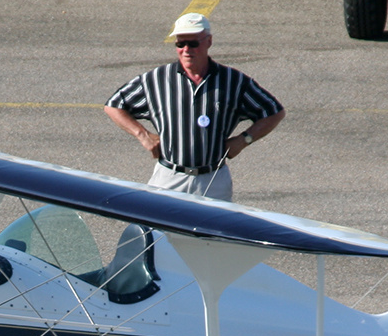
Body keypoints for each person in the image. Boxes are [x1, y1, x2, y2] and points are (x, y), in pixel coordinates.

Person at [104, 12, 285, 203]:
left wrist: (244, 140)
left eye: (193, 43)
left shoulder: (233, 81)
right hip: (169, 177)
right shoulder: (156, 80)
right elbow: (114, 105)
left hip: (213, 181)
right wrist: (143, 135)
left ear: (208, 42)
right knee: (161, 233)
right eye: (180, 44)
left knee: (212, 233)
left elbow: (273, 111)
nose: (186, 50)